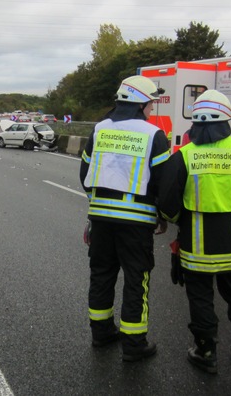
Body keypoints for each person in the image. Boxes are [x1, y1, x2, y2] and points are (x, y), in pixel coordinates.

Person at [159, 90, 231, 374]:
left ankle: (206, 352)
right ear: (226, 119)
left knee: (201, 297)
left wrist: (177, 219)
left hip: (196, 247)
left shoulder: (184, 156)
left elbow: (167, 203)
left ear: (194, 122)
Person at [80, 75, 170, 362]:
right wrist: (163, 215)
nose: (152, 109)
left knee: (102, 274)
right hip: (137, 221)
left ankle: (101, 333)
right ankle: (134, 344)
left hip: (102, 217)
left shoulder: (99, 130)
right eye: (151, 104)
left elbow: (85, 175)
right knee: (136, 279)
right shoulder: (153, 135)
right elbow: (164, 183)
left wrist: (95, 211)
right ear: (141, 103)